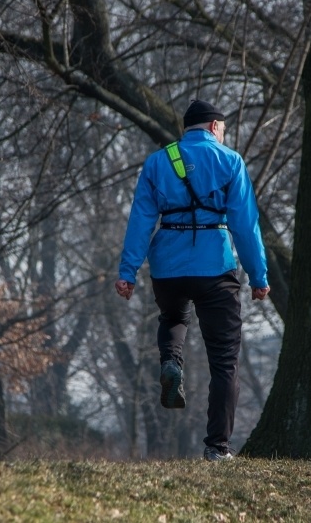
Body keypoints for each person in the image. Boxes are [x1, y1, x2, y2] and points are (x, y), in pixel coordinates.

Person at [115, 99, 270, 461]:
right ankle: (216, 447)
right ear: (215, 127)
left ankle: (171, 361)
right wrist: (258, 276)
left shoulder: (158, 161)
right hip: (215, 266)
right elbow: (245, 226)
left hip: (167, 264)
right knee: (224, 362)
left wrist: (127, 272)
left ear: (188, 128)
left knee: (172, 318)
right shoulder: (230, 161)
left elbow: (140, 219)